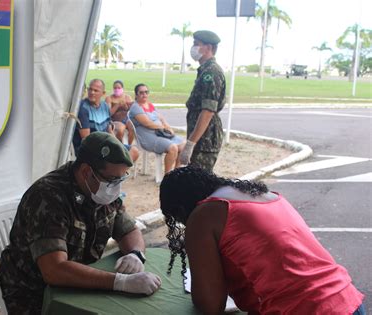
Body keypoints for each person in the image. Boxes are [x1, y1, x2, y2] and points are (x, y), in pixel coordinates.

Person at [159, 166, 365, 315]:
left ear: (180, 210)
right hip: (348, 301)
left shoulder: (204, 214)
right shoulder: (267, 195)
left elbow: (210, 305)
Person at [0, 132, 162, 314]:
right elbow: (54, 270)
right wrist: (121, 282)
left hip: (78, 283)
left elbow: (128, 230)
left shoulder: (100, 190)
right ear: (86, 172)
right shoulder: (48, 197)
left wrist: (136, 254)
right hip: (33, 293)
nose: (117, 187)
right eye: (113, 180)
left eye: (121, 179)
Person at [179, 30, 226, 173]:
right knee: (196, 182)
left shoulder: (211, 72)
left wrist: (190, 144)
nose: (193, 48)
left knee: (199, 183)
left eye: (196, 44)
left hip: (205, 140)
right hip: (202, 138)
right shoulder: (205, 71)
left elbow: (208, 111)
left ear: (209, 48)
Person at [73, 78, 139, 162]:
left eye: (96, 90)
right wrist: (108, 147)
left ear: (103, 93)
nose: (92, 92)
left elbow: (109, 128)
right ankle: (112, 174)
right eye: (90, 89)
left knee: (134, 152)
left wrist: (116, 143)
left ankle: (116, 174)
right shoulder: (83, 109)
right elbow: (87, 139)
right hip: (92, 147)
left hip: (105, 143)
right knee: (117, 158)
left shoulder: (104, 106)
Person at [129, 83, 186, 174]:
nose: (144, 94)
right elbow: (147, 123)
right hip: (148, 138)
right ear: (136, 94)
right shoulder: (136, 107)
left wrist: (168, 126)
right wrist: (163, 127)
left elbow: (161, 118)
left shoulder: (150, 105)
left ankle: (176, 172)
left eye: (146, 92)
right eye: (141, 92)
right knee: (173, 148)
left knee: (183, 145)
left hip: (160, 134)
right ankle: (168, 176)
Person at [105, 80, 136, 145]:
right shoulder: (109, 98)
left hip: (126, 118)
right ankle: (120, 145)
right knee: (120, 130)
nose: (117, 89)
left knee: (133, 128)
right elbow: (109, 113)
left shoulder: (127, 97)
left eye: (119, 88)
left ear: (122, 88)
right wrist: (118, 105)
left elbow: (131, 110)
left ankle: (129, 145)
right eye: (115, 88)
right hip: (115, 119)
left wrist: (127, 106)